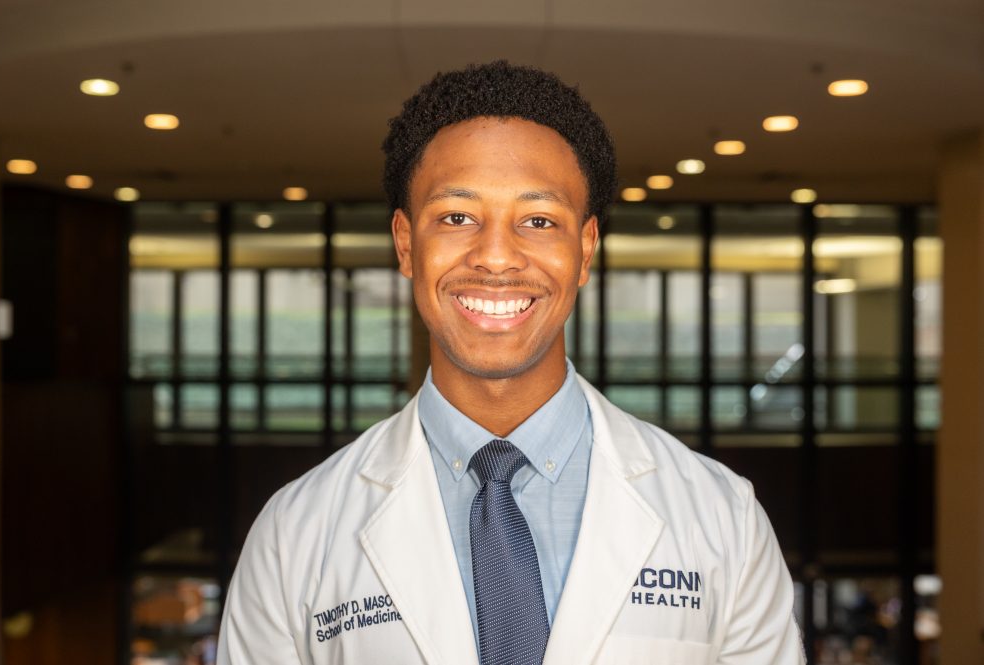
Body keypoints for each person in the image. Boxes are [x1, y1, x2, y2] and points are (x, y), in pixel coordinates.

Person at [217, 61, 804, 665]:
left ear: (584, 250)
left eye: (538, 221)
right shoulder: (295, 533)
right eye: (456, 217)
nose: (495, 258)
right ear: (405, 244)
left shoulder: (721, 517)